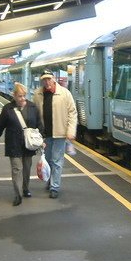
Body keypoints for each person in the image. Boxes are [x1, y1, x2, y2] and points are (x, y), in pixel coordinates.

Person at [0, 83, 43, 206]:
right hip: (14, 143)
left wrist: (42, 140)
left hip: (29, 144)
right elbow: (0, 126)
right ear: (14, 95)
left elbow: (39, 125)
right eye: (19, 96)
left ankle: (25, 188)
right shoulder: (7, 109)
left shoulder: (33, 107)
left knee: (27, 168)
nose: (22, 98)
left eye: (24, 96)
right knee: (17, 169)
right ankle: (17, 195)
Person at [33, 69, 78, 199]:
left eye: (48, 79)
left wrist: (71, 131)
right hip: (44, 135)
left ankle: (54, 187)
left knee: (57, 161)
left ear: (53, 79)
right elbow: (35, 114)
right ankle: (50, 180)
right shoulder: (37, 94)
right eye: (44, 79)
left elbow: (72, 113)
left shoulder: (65, 94)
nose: (46, 82)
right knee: (47, 160)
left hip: (60, 134)